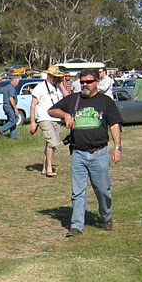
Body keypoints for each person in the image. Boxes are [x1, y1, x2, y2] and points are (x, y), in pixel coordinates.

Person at [48, 68, 123, 238]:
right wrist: (66, 115)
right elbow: (51, 111)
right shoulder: (73, 99)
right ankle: (76, 226)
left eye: (88, 82)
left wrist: (117, 147)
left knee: (103, 190)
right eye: (82, 82)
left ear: (97, 82)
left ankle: (106, 216)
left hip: (99, 153)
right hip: (79, 154)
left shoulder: (106, 102)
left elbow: (114, 125)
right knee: (78, 192)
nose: (85, 85)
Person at [30, 66, 65, 178]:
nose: (56, 79)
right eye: (55, 77)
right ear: (49, 75)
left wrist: (61, 84)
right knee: (53, 143)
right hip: (44, 118)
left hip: (56, 118)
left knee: (51, 144)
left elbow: (67, 97)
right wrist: (33, 122)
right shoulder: (39, 88)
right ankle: (49, 168)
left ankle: (45, 168)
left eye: (58, 77)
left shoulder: (58, 87)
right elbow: (33, 106)